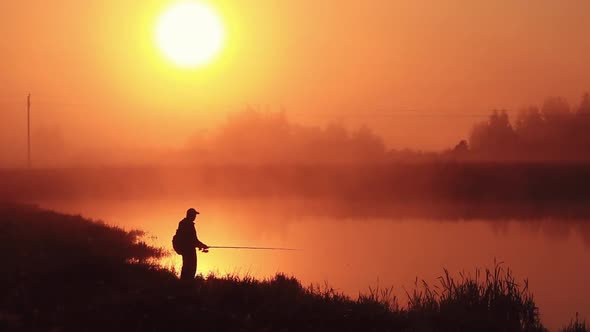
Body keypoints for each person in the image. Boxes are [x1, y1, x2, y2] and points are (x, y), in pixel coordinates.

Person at [175, 208, 209, 280]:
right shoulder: (188, 225)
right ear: (191, 215)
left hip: (186, 250)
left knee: (186, 267)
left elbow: (193, 240)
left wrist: (201, 245)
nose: (195, 217)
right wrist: (202, 245)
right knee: (190, 268)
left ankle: (184, 283)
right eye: (194, 215)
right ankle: (187, 285)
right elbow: (193, 240)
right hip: (189, 251)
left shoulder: (183, 223)